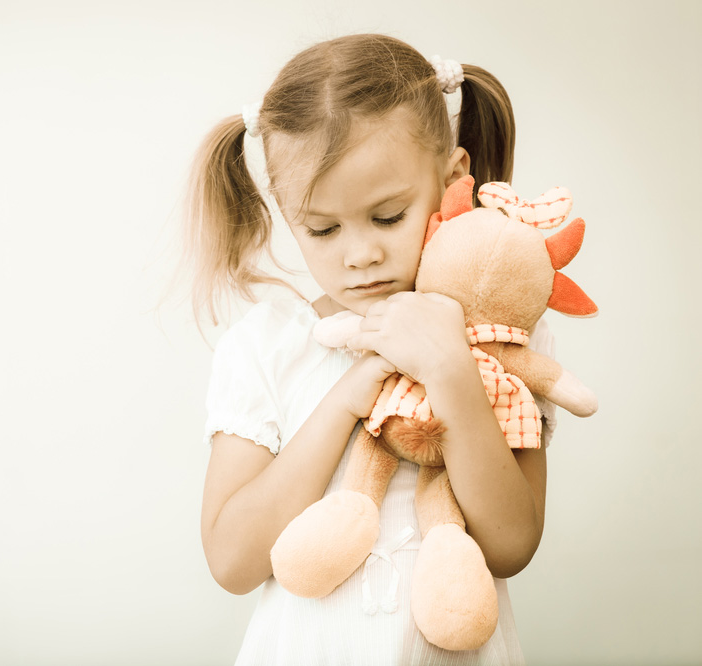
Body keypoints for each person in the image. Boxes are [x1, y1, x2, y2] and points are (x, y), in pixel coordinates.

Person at [186, 34, 557, 665]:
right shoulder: (266, 346)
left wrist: (452, 374)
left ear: (453, 179)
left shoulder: (501, 333)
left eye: (388, 217)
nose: (359, 254)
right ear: (288, 212)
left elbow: (511, 545)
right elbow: (232, 559)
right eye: (323, 229)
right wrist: (341, 402)